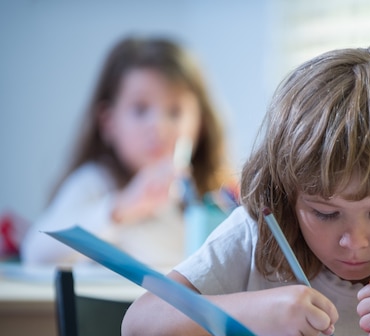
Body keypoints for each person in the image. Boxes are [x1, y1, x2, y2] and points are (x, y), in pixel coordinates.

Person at [121, 46, 370, 336]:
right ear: (285, 195)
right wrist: (255, 312)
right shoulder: (256, 234)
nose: (353, 242)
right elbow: (140, 320)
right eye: (325, 213)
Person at [21, 35, 231, 269]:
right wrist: (120, 209)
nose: (159, 128)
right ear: (108, 122)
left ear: (200, 123)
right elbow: (36, 251)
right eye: (140, 110)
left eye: (175, 111)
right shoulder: (96, 184)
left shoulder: (212, 197)